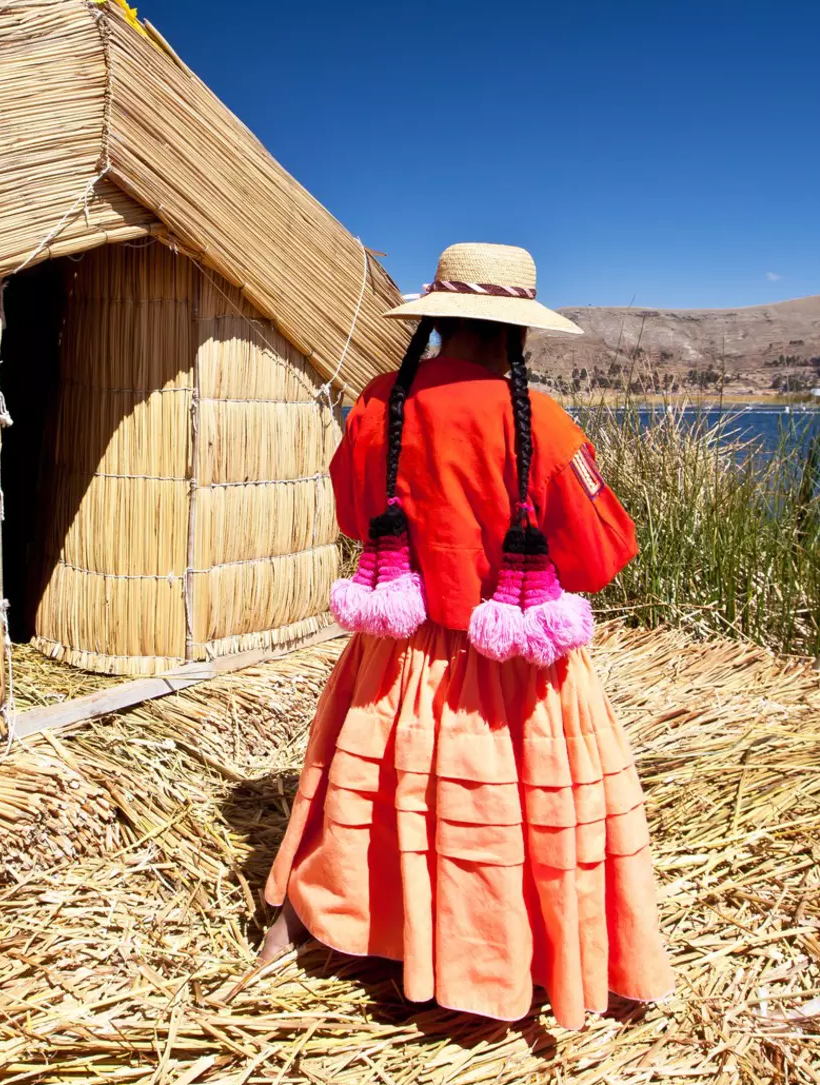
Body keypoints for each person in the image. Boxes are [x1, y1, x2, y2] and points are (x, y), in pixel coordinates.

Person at [259, 242, 674, 1027]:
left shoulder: (378, 404)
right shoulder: (544, 426)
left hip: (398, 656)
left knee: (382, 796)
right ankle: (500, 963)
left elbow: (355, 520)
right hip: (510, 670)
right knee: (497, 821)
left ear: (437, 321)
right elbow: (597, 558)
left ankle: (366, 928)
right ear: (519, 331)